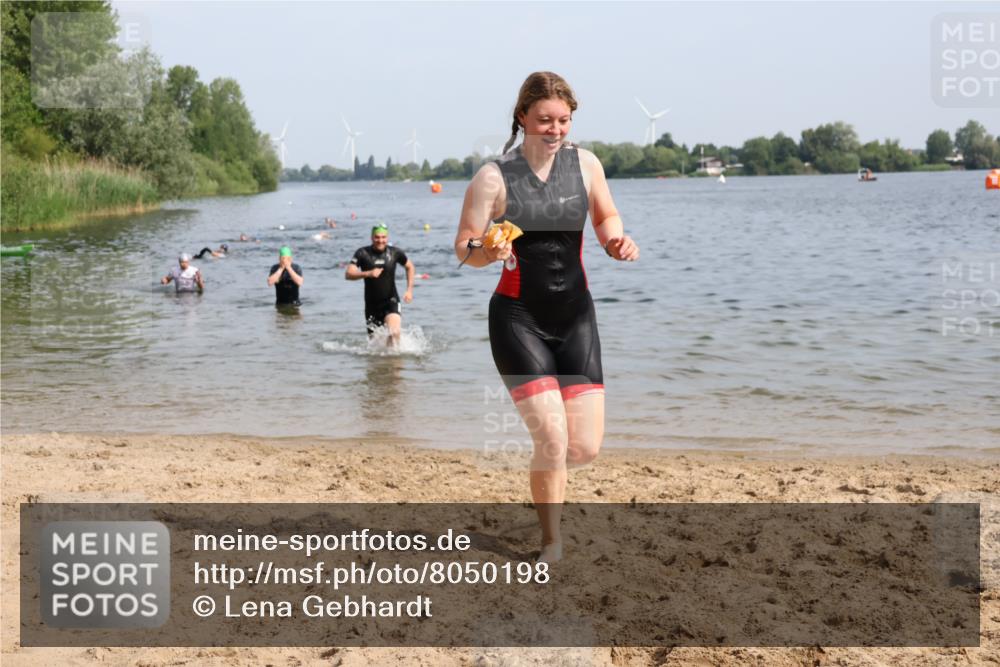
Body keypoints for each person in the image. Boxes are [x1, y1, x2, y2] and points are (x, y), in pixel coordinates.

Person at [454, 71, 639, 563]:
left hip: (576, 318)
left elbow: (605, 217)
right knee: (553, 440)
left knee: (583, 449)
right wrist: (487, 251)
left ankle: (543, 489)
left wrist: (615, 240)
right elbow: (464, 246)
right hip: (518, 319)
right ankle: (551, 541)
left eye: (564, 120)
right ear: (522, 118)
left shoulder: (587, 165)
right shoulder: (494, 177)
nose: (555, 129)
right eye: (544, 120)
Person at [345, 224, 415, 346]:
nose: (380, 240)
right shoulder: (362, 253)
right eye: (377, 237)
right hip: (371, 305)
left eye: (383, 237)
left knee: (394, 333)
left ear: (387, 238)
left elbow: (410, 267)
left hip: (391, 300)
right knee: (375, 346)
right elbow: (348, 274)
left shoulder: (395, 252)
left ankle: (395, 363)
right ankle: (383, 364)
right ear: (372, 237)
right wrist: (368, 273)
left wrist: (409, 290)